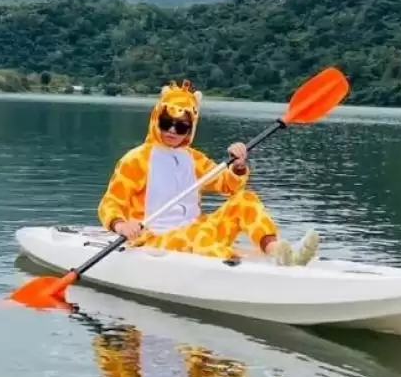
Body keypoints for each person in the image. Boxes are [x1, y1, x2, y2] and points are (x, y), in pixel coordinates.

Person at [97, 80, 318, 264]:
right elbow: (110, 204)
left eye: (181, 126)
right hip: (153, 238)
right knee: (200, 237)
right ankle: (238, 266)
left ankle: (275, 251)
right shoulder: (136, 159)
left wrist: (238, 166)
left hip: (196, 229)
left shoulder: (194, 159)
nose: (173, 130)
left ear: (190, 129)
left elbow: (228, 185)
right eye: (167, 122)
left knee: (245, 200)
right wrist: (121, 225)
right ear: (156, 120)